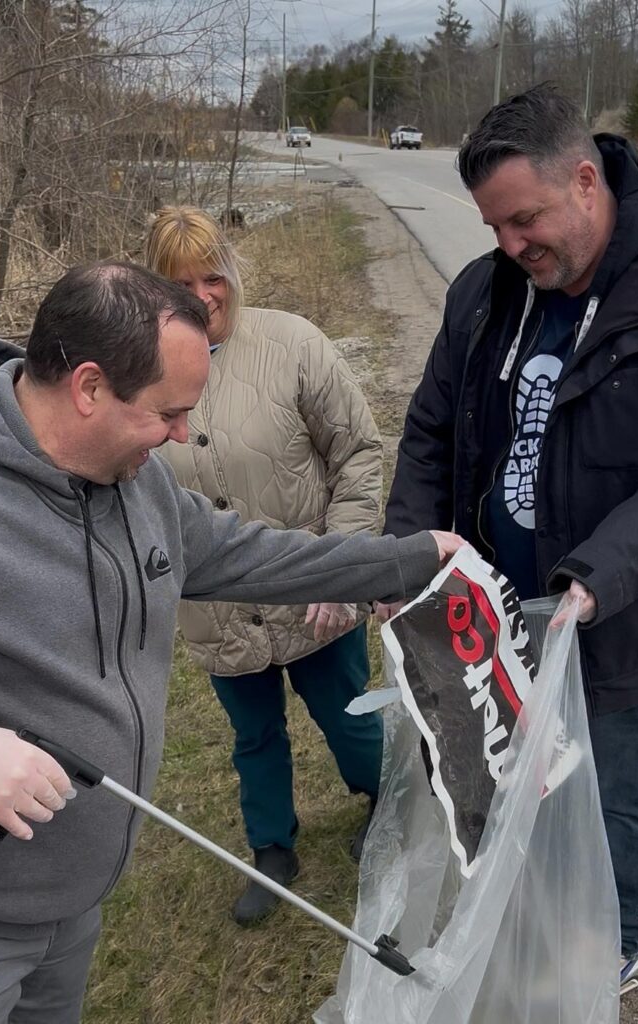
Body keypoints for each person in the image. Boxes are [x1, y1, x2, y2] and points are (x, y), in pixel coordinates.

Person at [0, 260, 464, 1023]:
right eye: (168, 412)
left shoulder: (138, 484)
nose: (183, 433)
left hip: (72, 906)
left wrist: (406, 558)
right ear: (92, 388)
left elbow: (254, 554)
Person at [380, 86, 638, 996]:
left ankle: (610, 948)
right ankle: (530, 910)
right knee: (513, 781)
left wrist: (590, 580)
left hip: (626, 620)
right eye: (496, 226)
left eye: (526, 220)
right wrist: (406, 552)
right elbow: (431, 430)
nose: (512, 245)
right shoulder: (486, 292)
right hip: (498, 618)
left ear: (586, 181)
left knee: (616, 799)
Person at [143, 206, 384, 925]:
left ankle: (389, 802)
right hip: (216, 613)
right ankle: (272, 848)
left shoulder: (293, 344)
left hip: (315, 592)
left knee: (348, 716)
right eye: (180, 282)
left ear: (233, 274)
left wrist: (342, 569)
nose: (202, 295)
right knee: (254, 737)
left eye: (213, 276)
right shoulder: (137, 373)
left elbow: (361, 455)